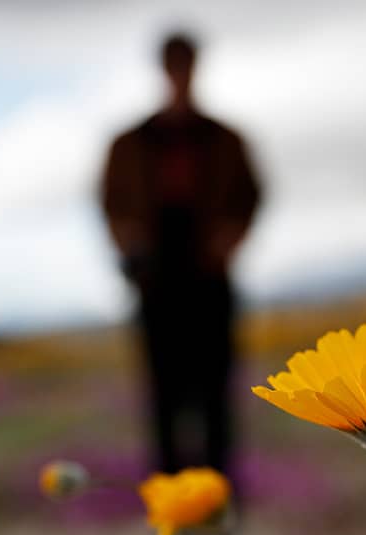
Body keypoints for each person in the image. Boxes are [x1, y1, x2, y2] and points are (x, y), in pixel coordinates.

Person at [101, 32, 261, 487]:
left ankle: (220, 503)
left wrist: (231, 238)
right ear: (162, 68)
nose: (179, 72)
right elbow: (111, 205)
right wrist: (128, 242)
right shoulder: (129, 143)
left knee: (215, 399)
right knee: (163, 399)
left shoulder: (226, 139)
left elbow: (252, 197)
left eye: (185, 63)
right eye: (172, 63)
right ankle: (171, 505)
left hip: (210, 280)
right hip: (156, 284)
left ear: (195, 67)